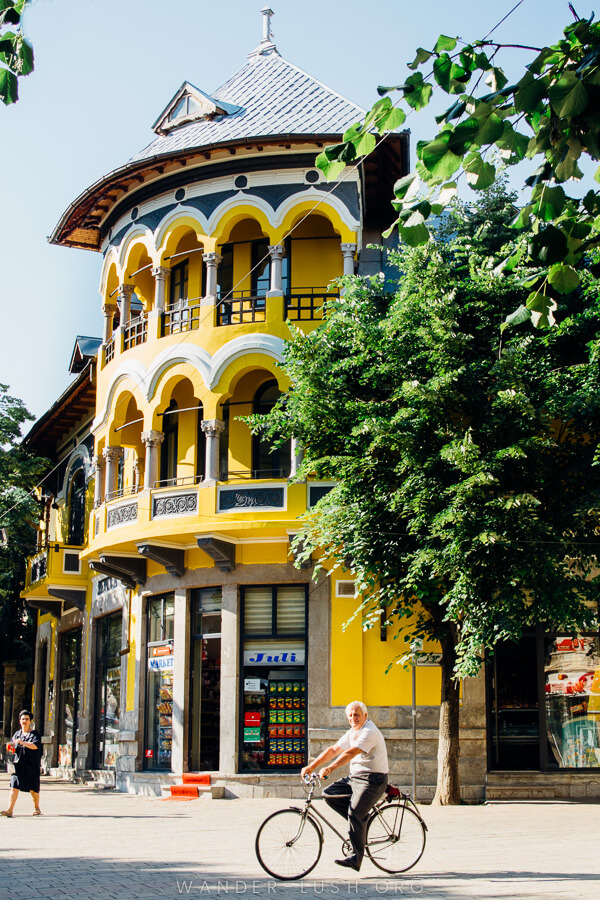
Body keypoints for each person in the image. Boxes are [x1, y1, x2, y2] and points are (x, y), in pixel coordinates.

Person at [301, 700, 388, 872]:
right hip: (355, 777)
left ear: (365, 716)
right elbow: (333, 750)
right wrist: (312, 766)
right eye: (350, 715)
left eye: (356, 715)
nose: (353, 718)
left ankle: (356, 858)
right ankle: (361, 822)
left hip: (373, 779)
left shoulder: (369, 732)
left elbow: (350, 753)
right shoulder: (352, 732)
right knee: (329, 794)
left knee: (355, 812)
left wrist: (331, 768)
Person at [1, 710, 42, 817]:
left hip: (31, 765)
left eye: (26, 719)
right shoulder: (17, 734)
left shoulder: (34, 734)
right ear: (20, 721)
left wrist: (22, 742)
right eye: (23, 719)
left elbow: (35, 746)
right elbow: (14, 747)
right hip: (18, 766)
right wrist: (11, 748)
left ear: (30, 721)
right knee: (14, 786)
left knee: (33, 789)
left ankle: (37, 808)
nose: (24, 721)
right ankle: (9, 810)